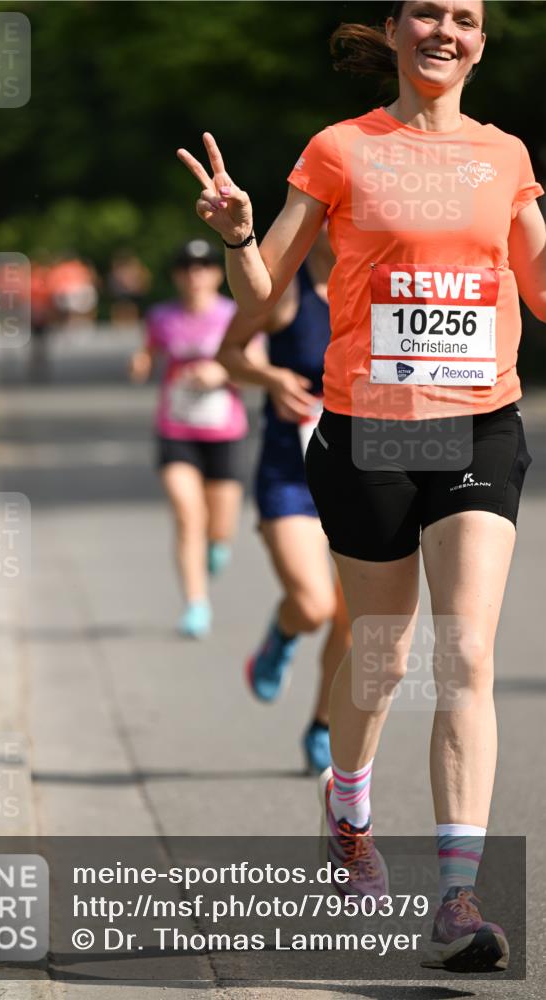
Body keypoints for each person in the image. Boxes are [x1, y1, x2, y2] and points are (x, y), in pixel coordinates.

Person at [177, 0, 544, 973]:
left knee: (465, 648)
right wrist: (239, 233)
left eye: (464, 17)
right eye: (426, 12)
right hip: (368, 428)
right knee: (379, 655)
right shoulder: (341, 149)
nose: (445, 30)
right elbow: (263, 300)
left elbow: (541, 285)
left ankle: (456, 896)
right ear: (389, 29)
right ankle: (348, 814)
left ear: (479, 38)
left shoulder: (503, 156)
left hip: (479, 421)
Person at [216, 227, 351, 774]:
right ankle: (283, 633)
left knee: (356, 618)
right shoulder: (282, 290)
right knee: (315, 605)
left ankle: (322, 726)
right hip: (289, 474)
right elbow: (227, 353)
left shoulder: (376, 289)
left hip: (363, 472)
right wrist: (270, 376)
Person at [130, 239, 260, 638]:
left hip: (224, 431)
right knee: (187, 516)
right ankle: (196, 605)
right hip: (176, 429)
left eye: (203, 266)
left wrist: (221, 374)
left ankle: (218, 546)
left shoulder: (234, 315)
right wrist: (141, 362)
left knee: (219, 528)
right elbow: (150, 351)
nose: (195, 274)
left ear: (216, 274)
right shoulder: (161, 317)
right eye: (186, 267)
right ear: (176, 275)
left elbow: (257, 365)